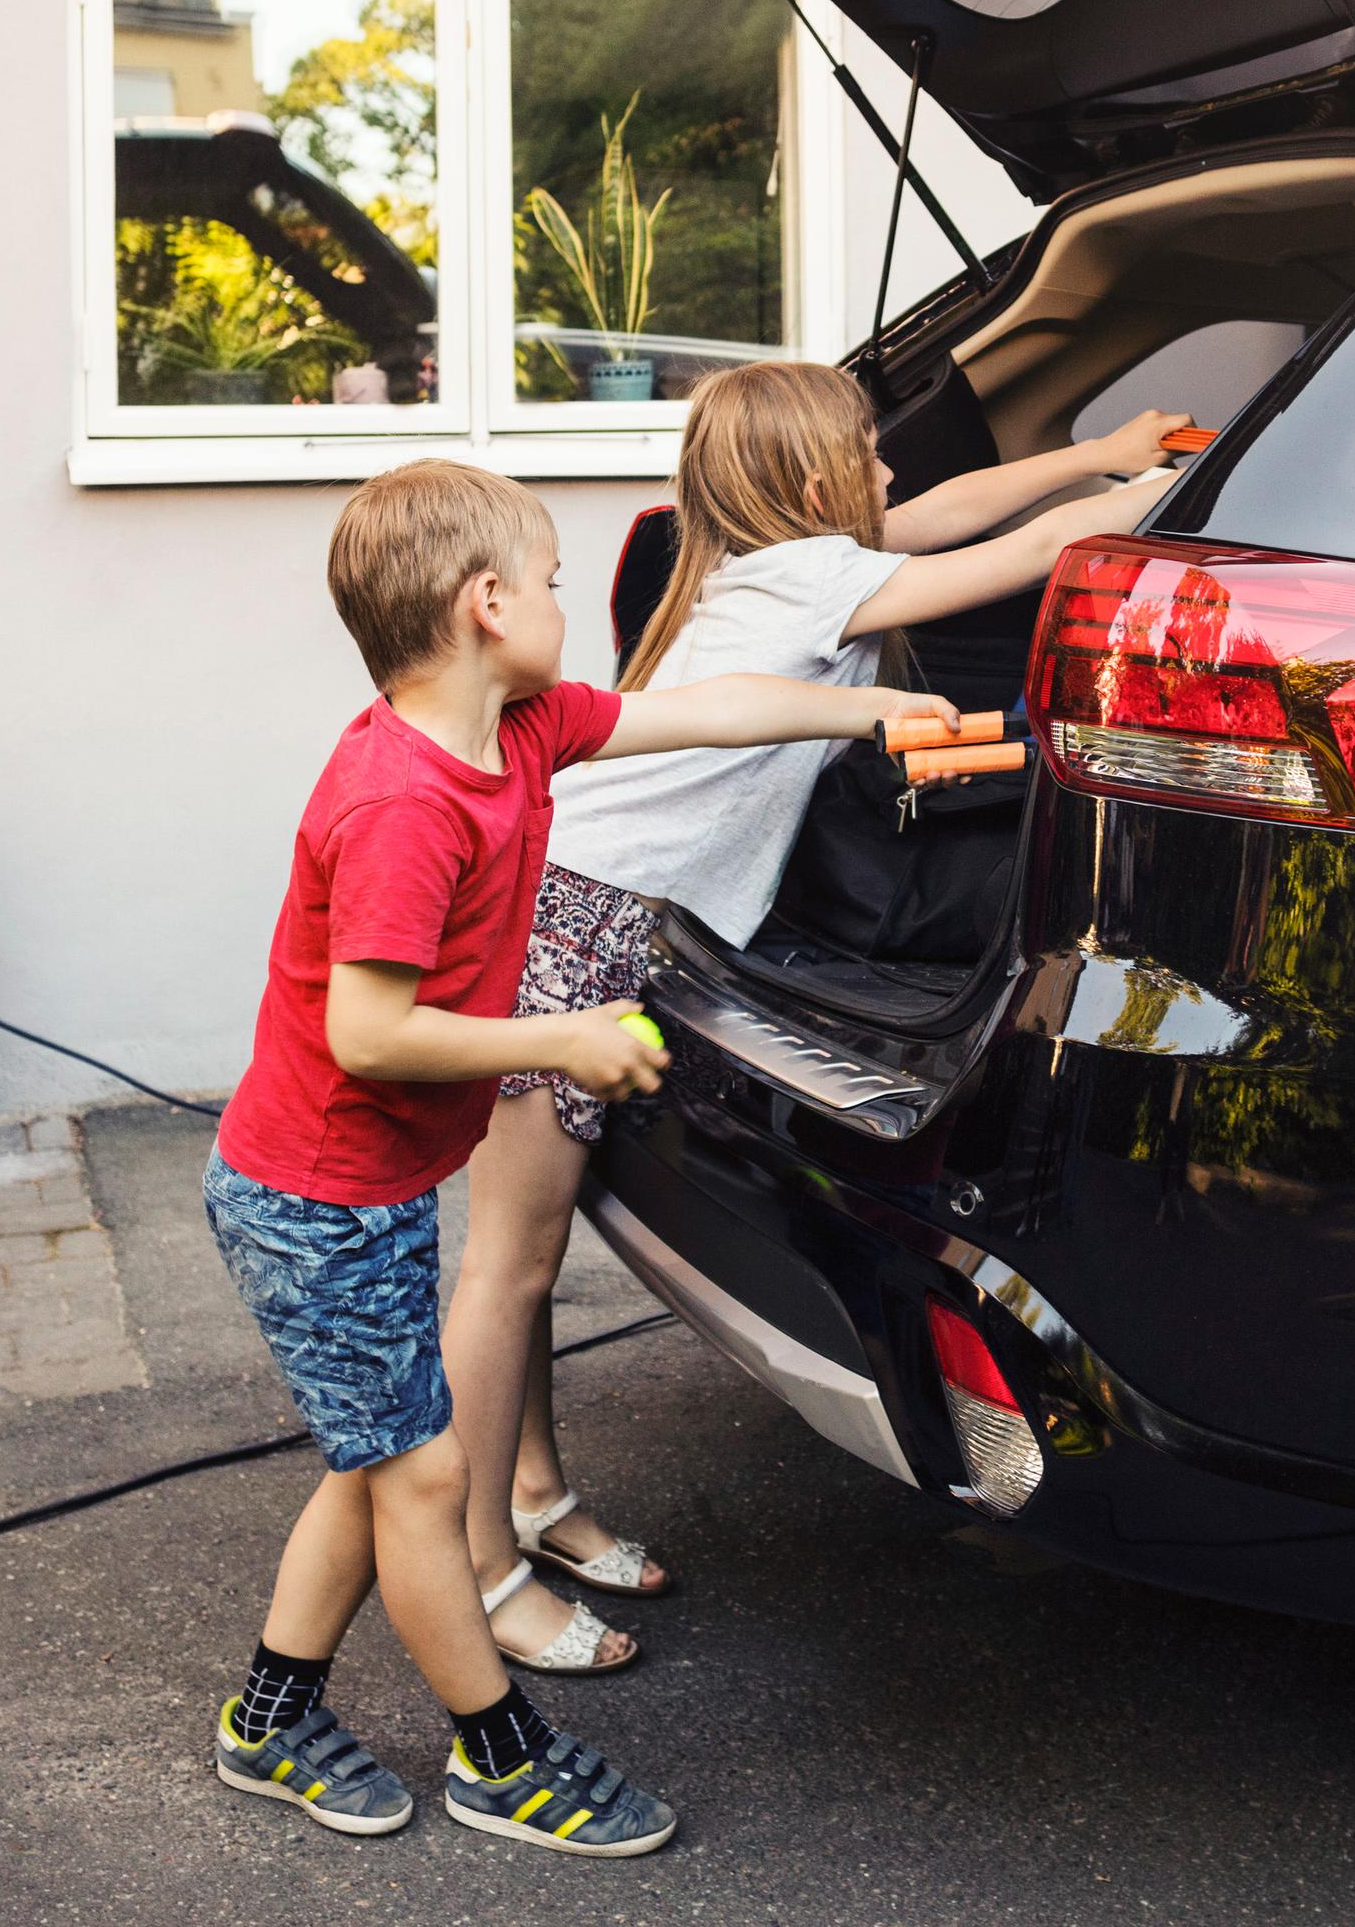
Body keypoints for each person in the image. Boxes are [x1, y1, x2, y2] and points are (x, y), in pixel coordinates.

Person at [203, 456, 953, 1852]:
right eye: (549, 582)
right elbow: (368, 1034)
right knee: (421, 1480)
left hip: (354, 1194)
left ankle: (271, 1716)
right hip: (308, 1199)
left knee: (377, 1466)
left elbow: (708, 710)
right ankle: (500, 1757)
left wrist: (868, 707)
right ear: (486, 605)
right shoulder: (404, 803)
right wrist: (561, 1040)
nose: (564, 601)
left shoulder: (525, 729)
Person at [446, 362, 1181, 1674]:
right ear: (807, 480)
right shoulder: (809, 579)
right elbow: (1018, 549)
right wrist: (1169, 489)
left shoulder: (770, 559)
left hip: (586, 916)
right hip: (565, 924)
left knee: (530, 1258)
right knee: (506, 1268)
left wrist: (1094, 448)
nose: (891, 474)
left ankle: (534, 1497)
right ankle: (481, 1573)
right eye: (868, 455)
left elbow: (956, 510)